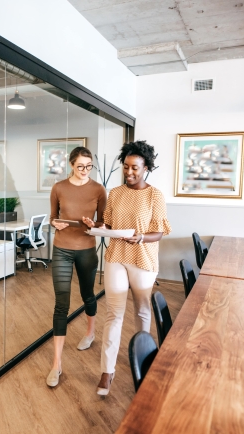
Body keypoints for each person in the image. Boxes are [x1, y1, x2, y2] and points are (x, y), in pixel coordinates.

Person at [96, 141, 171, 395]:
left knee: (141, 311)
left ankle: (144, 359)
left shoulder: (155, 195)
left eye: (135, 168)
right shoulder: (115, 193)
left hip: (143, 258)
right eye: (126, 167)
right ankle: (107, 371)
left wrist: (141, 237)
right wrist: (96, 226)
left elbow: (159, 232)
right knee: (113, 313)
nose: (129, 172)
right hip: (116, 255)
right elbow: (108, 225)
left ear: (146, 168)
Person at [46, 147, 107, 387]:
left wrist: (95, 224)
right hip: (61, 248)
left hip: (87, 250)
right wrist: (55, 224)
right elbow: (52, 217)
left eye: (89, 166)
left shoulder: (98, 190)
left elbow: (103, 222)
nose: (85, 171)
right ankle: (56, 364)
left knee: (87, 295)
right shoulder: (59, 188)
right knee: (61, 303)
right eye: (81, 166)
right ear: (72, 164)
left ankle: (90, 332)